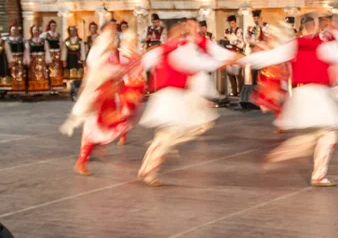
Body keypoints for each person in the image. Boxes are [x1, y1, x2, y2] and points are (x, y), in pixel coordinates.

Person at [239, 13, 338, 187]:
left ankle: (290, 158)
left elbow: (270, 57)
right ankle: (312, 171)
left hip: (302, 94)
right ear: (316, 26)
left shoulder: (295, 45)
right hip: (317, 94)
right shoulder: (324, 46)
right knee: (329, 134)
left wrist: (242, 60)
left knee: (315, 135)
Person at [137, 20, 240, 186]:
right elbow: (196, 64)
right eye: (182, 29)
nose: (185, 31)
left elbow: (144, 62)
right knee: (173, 132)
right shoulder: (176, 48)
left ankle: (150, 164)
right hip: (171, 98)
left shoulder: (166, 49)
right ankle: (150, 169)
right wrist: (223, 63)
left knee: (192, 127)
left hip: (178, 97)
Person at [60, 26, 145, 175]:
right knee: (94, 127)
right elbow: (104, 70)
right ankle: (82, 160)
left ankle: (90, 153)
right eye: (111, 36)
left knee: (103, 127)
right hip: (98, 96)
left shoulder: (114, 53)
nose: (114, 39)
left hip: (108, 95)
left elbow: (119, 71)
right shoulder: (100, 54)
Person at [23, 25, 51, 93]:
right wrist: (27, 60)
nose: (36, 32)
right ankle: (34, 89)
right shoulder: (29, 41)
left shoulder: (44, 41)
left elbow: (47, 50)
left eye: (37, 30)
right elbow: (27, 51)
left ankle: (42, 89)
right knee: (33, 75)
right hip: (33, 61)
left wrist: (48, 59)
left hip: (42, 60)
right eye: (34, 30)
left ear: (40, 32)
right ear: (32, 31)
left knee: (42, 74)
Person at [223, 14, 244, 96]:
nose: (231, 25)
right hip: (229, 54)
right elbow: (225, 39)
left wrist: (230, 40)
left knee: (238, 73)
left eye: (232, 23)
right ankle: (234, 91)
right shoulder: (226, 31)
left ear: (235, 22)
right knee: (230, 73)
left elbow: (240, 42)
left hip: (237, 53)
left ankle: (241, 91)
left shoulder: (239, 30)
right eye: (230, 23)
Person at [41, 20, 63, 90]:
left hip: (57, 54)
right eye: (52, 25)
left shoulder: (58, 35)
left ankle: (56, 86)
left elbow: (60, 44)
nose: (53, 27)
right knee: (49, 70)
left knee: (57, 70)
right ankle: (49, 85)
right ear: (49, 26)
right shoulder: (45, 34)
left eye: (54, 25)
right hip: (49, 54)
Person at [4, 25, 26, 92]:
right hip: (11, 58)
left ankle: (20, 88)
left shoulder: (22, 39)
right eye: (13, 30)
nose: (14, 31)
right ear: (10, 31)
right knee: (12, 73)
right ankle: (12, 89)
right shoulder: (7, 40)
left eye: (16, 30)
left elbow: (25, 49)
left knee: (20, 73)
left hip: (20, 57)